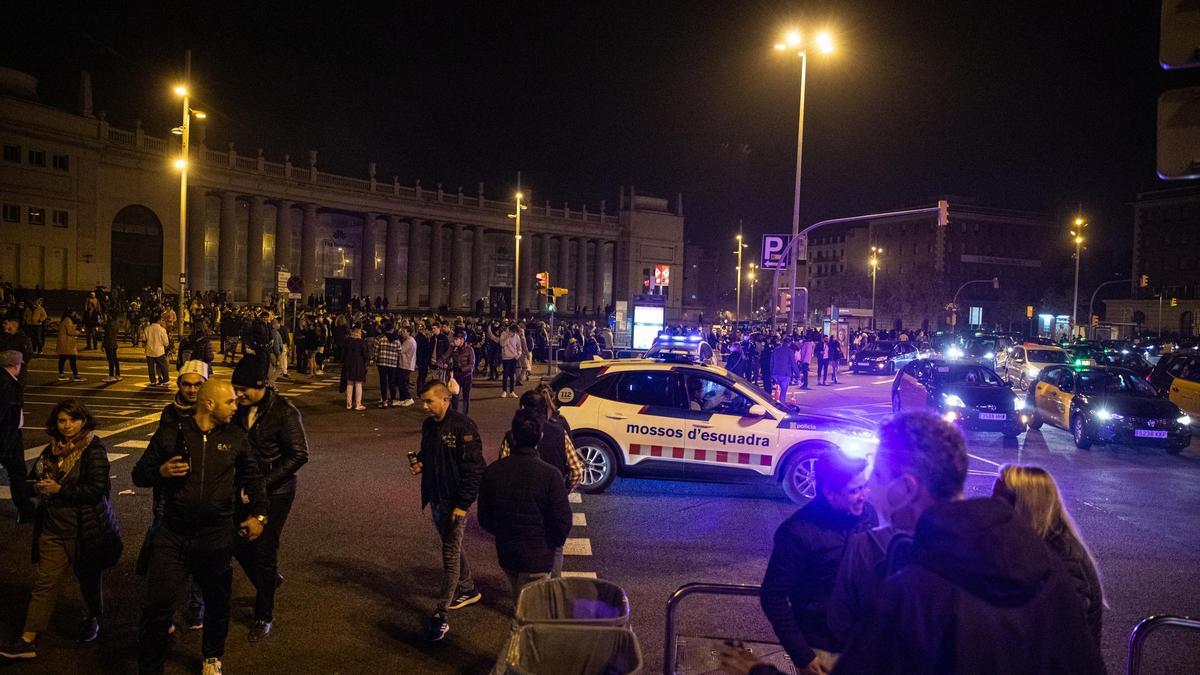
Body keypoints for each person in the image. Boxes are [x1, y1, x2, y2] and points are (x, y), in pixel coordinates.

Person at [833, 412, 1105, 674]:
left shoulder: (910, 595)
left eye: (878, 475)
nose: (869, 484)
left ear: (906, 488)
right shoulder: (1045, 565)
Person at [132, 379, 269, 675]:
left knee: (217, 602)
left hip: (216, 535)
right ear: (209, 404)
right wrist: (161, 471)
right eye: (230, 402)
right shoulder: (172, 433)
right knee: (157, 607)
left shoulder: (236, 436)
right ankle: (150, 666)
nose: (237, 405)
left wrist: (259, 516)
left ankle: (211, 656)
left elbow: (254, 478)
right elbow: (139, 474)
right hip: (173, 534)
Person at [0, 401, 122, 660]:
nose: (67, 426)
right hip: (53, 529)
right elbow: (33, 478)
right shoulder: (50, 449)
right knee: (45, 583)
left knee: (89, 581)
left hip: (85, 531)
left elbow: (97, 489)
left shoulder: (94, 449)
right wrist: (37, 487)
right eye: (61, 421)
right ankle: (27, 639)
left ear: (84, 421)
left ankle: (92, 617)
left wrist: (60, 490)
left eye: (72, 420)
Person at [760, 451, 876, 674]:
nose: (864, 495)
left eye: (865, 486)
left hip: (863, 644)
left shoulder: (867, 515)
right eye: (854, 490)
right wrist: (803, 655)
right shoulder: (797, 532)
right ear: (830, 494)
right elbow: (773, 596)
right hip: (823, 649)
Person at [230, 353, 310, 643]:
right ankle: (269, 581)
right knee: (235, 542)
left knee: (264, 549)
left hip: (276, 491)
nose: (238, 394)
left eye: (244, 389)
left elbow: (300, 454)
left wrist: (263, 484)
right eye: (235, 388)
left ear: (262, 384)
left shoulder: (284, 411)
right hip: (243, 487)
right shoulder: (238, 409)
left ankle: (263, 614)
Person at [993, 464, 1104, 647]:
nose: (992, 506)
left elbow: (1063, 636)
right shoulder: (1033, 544)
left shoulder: (1065, 560)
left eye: (999, 500)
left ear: (1025, 506)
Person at [409, 382, 485, 642]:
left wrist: (463, 505)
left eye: (429, 401)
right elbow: (428, 452)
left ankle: (440, 614)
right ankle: (469, 588)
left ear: (445, 400)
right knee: (451, 545)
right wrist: (420, 463)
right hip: (437, 498)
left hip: (454, 502)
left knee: (449, 554)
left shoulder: (464, 427)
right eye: (424, 401)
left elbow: (475, 470)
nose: (425, 406)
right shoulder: (429, 426)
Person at [478, 409, 573, 607]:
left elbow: (484, 517)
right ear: (540, 436)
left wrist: (503, 532)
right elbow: (562, 520)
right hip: (538, 554)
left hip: (507, 551)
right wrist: (552, 543)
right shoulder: (550, 475)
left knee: (519, 599)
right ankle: (523, 634)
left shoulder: (494, 471)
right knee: (532, 610)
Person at [498, 388, 584, 576]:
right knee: (556, 545)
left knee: (521, 540)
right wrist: (564, 490)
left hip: (520, 499)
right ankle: (551, 585)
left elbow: (502, 468)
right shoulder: (558, 432)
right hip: (553, 498)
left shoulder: (511, 436)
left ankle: (524, 588)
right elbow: (577, 471)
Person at [0, 350, 35, 522]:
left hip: (9, 434)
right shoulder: (7, 384)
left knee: (17, 473)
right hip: (8, 437)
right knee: (18, 473)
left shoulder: (6, 381)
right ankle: (26, 510)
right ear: (16, 365)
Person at [439, 330, 476, 415]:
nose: (455, 341)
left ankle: (465, 416)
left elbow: (472, 364)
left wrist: (461, 369)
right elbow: (444, 357)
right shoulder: (452, 348)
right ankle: (454, 415)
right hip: (456, 376)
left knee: (465, 397)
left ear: (462, 340)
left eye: (457, 339)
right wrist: (440, 364)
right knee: (455, 396)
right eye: (454, 339)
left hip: (467, 377)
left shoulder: (469, 349)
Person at [341, 323, 369, 411]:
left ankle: (348, 404)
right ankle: (358, 404)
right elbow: (365, 355)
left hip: (348, 364)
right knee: (358, 384)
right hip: (358, 364)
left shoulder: (347, 340)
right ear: (359, 330)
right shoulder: (361, 342)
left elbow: (343, 353)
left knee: (349, 383)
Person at [0, 313, 33, 387]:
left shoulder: (23, 339)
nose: (3, 325)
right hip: (4, 372)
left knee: (17, 393)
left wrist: (18, 363)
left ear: (13, 325)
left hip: (17, 373)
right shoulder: (4, 336)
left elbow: (29, 354)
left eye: (6, 323)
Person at [374, 323, 400, 408]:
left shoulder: (379, 338)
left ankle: (384, 401)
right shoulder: (396, 340)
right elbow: (399, 352)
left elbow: (375, 352)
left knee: (383, 382)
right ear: (392, 329)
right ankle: (393, 400)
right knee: (392, 382)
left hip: (382, 363)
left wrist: (375, 359)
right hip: (392, 363)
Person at [144, 314, 170, 387]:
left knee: (151, 367)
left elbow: (144, 340)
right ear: (158, 320)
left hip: (149, 351)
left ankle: (153, 381)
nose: (162, 321)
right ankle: (165, 379)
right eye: (161, 320)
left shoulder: (147, 329)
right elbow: (166, 342)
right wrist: (166, 346)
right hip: (159, 351)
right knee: (163, 366)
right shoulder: (162, 330)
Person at [56, 310, 83, 381]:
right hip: (67, 343)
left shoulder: (64, 320)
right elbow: (70, 331)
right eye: (74, 313)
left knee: (62, 359)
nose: (75, 315)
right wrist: (78, 332)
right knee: (72, 360)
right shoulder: (68, 320)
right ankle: (76, 376)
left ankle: (61, 374)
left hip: (64, 343)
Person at [500, 323, 523, 398]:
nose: (513, 334)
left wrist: (518, 355)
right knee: (505, 375)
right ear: (510, 330)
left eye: (515, 332)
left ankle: (512, 391)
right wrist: (508, 337)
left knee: (512, 375)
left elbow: (519, 347)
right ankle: (504, 391)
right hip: (506, 358)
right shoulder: (504, 334)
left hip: (514, 358)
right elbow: (502, 344)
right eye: (513, 332)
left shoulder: (516, 336)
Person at [396, 325, 417, 406]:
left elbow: (400, 351)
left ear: (408, 332)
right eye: (402, 332)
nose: (402, 333)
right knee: (402, 382)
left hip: (406, 365)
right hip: (405, 364)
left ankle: (408, 398)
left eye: (404, 332)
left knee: (403, 383)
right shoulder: (409, 340)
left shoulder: (409, 341)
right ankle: (402, 399)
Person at [771, 336, 795, 403]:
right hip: (785, 374)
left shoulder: (775, 350)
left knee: (775, 389)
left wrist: (771, 372)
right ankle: (781, 405)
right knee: (783, 391)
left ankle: (773, 403)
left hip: (775, 373)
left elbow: (771, 362)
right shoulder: (789, 351)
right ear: (789, 343)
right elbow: (793, 364)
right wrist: (797, 374)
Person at [101, 313, 123, 383]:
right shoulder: (116, 323)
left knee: (110, 360)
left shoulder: (109, 324)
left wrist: (103, 344)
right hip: (114, 343)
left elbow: (107, 335)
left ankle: (111, 376)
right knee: (115, 360)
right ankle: (117, 374)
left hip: (109, 344)